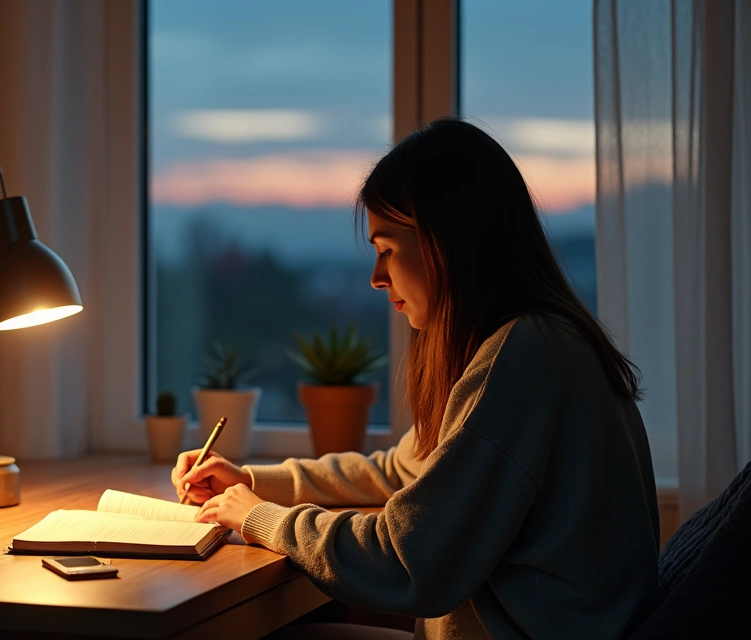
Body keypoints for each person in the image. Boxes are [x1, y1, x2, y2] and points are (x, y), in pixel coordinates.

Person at [172, 118, 659, 640]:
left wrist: (262, 518)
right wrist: (252, 482)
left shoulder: (527, 358)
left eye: (386, 249)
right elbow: (403, 468)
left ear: (447, 243)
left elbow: (409, 561)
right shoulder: (537, 344)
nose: (376, 278)